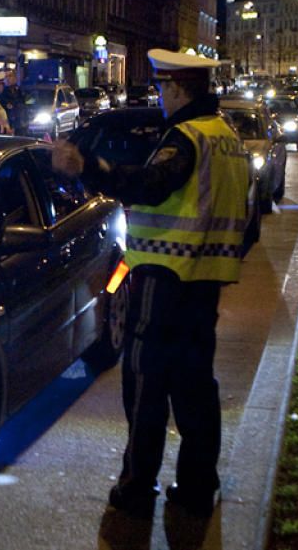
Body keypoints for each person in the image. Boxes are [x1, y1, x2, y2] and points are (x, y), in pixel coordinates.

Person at [52, 48, 249, 519]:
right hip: (205, 281)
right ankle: (199, 486)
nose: (161, 95)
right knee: (195, 385)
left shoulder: (185, 137)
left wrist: (91, 169)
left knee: (145, 384)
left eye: (163, 87)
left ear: (179, 88)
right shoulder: (226, 136)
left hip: (164, 279)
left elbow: (152, 184)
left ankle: (137, 488)